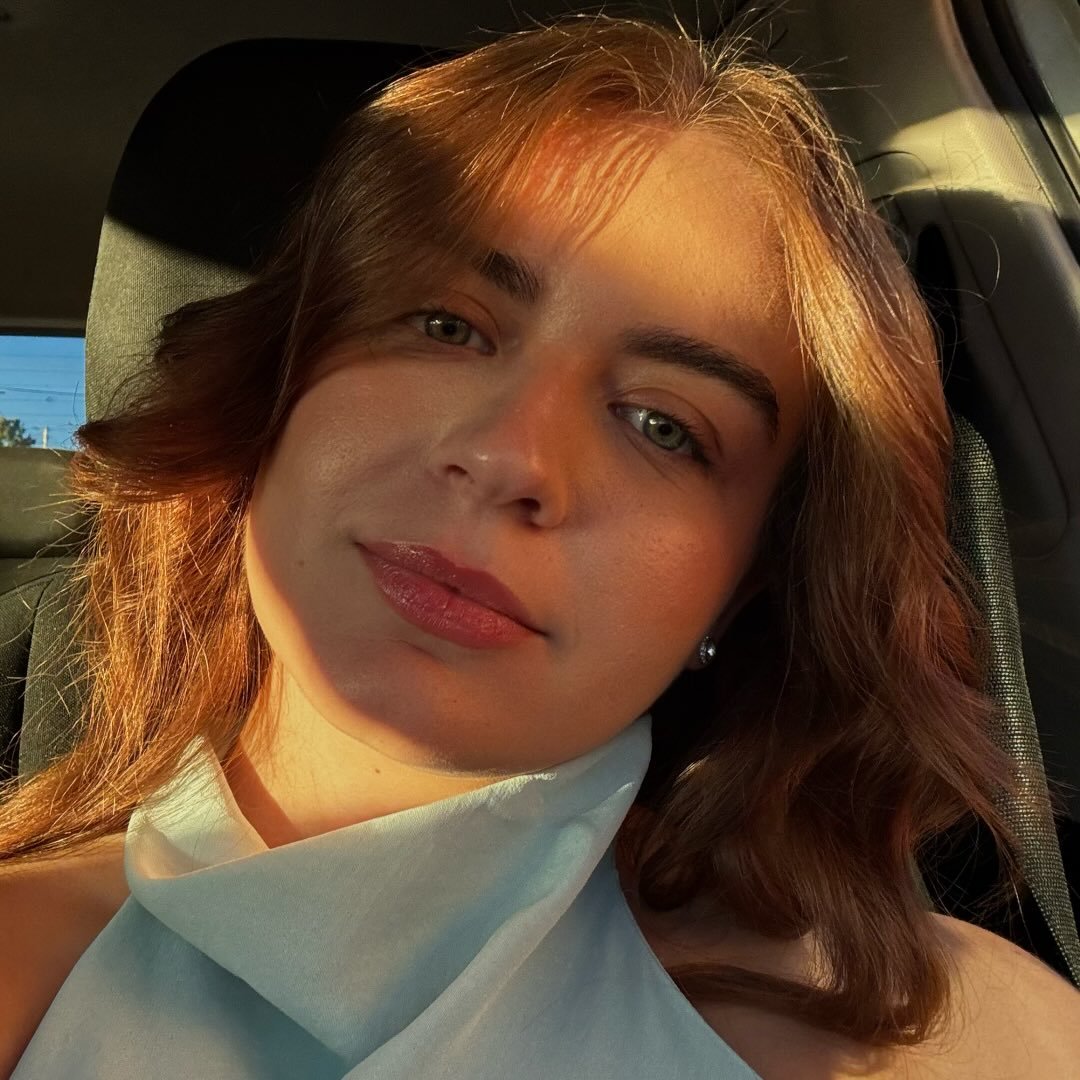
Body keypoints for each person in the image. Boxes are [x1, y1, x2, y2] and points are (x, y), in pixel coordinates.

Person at [1, 13, 1078, 1080]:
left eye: (664, 426)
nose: (508, 455)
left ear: (746, 587)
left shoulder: (951, 1040)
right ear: (273, 386)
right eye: (446, 326)